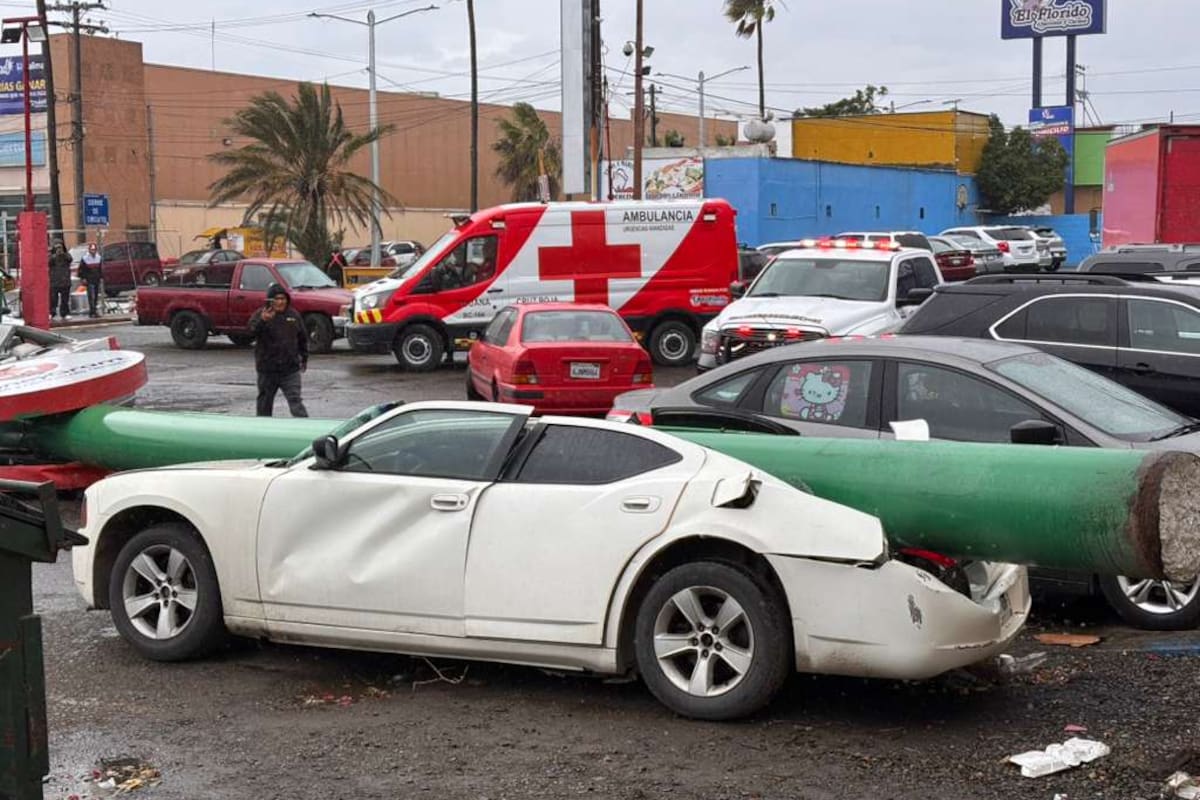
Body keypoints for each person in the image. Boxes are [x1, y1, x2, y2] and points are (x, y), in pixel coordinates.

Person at [248, 283, 309, 417]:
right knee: (265, 403)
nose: (280, 302)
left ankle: (304, 427)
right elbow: (250, 333)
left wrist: (304, 357)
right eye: (277, 299)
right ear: (270, 300)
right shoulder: (261, 314)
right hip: (267, 370)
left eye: (283, 299)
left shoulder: (294, 315)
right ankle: (262, 430)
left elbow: (302, 338)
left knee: (296, 401)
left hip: (290, 369)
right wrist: (263, 321)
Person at [78, 242, 103, 318]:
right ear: (89, 250)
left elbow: (100, 269)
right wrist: (83, 278)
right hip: (89, 280)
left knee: (95, 296)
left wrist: (101, 277)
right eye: (92, 250)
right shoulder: (85, 259)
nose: (93, 251)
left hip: (96, 279)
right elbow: (81, 270)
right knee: (91, 296)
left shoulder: (98, 258)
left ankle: (94, 310)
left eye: (94, 249)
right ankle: (92, 311)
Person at [49, 241, 72, 320]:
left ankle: (64, 313)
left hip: (65, 281)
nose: (59, 249)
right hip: (54, 281)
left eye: (60, 247)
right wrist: (55, 255)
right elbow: (48, 262)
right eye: (57, 247)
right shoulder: (51, 256)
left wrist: (63, 254)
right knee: (53, 299)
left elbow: (70, 259)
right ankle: (52, 313)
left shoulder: (66, 255)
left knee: (65, 299)